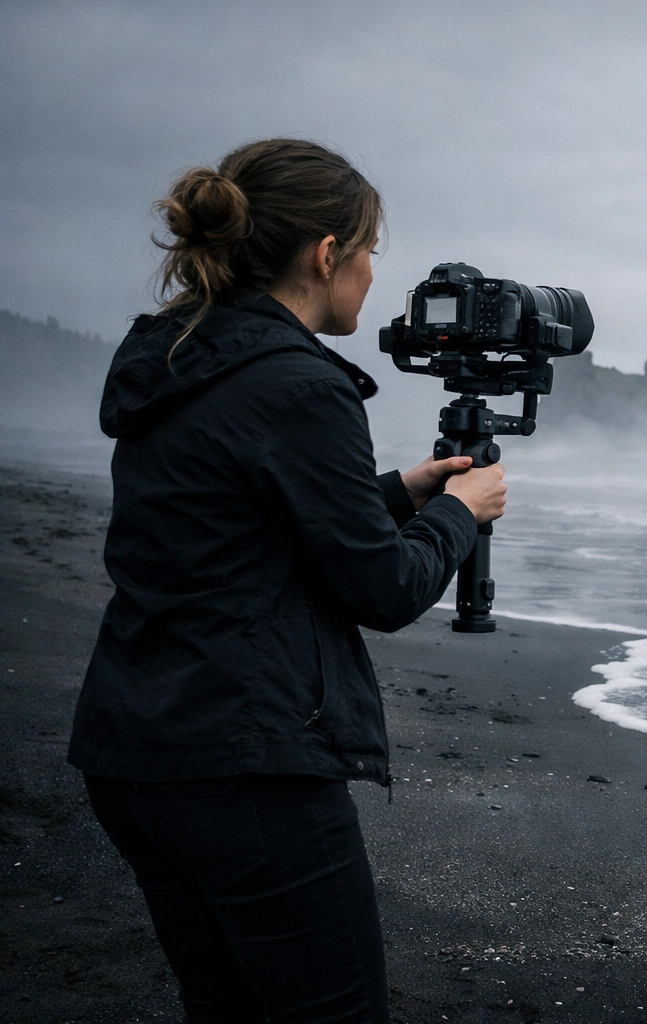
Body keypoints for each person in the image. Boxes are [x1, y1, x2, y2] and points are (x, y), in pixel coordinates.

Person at [67, 138, 507, 1021]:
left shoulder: (178, 357)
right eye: (371, 248)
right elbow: (380, 591)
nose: (377, 272)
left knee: (224, 1007)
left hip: (133, 745)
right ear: (326, 253)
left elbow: (235, 527)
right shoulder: (302, 386)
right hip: (245, 766)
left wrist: (405, 489)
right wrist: (463, 514)